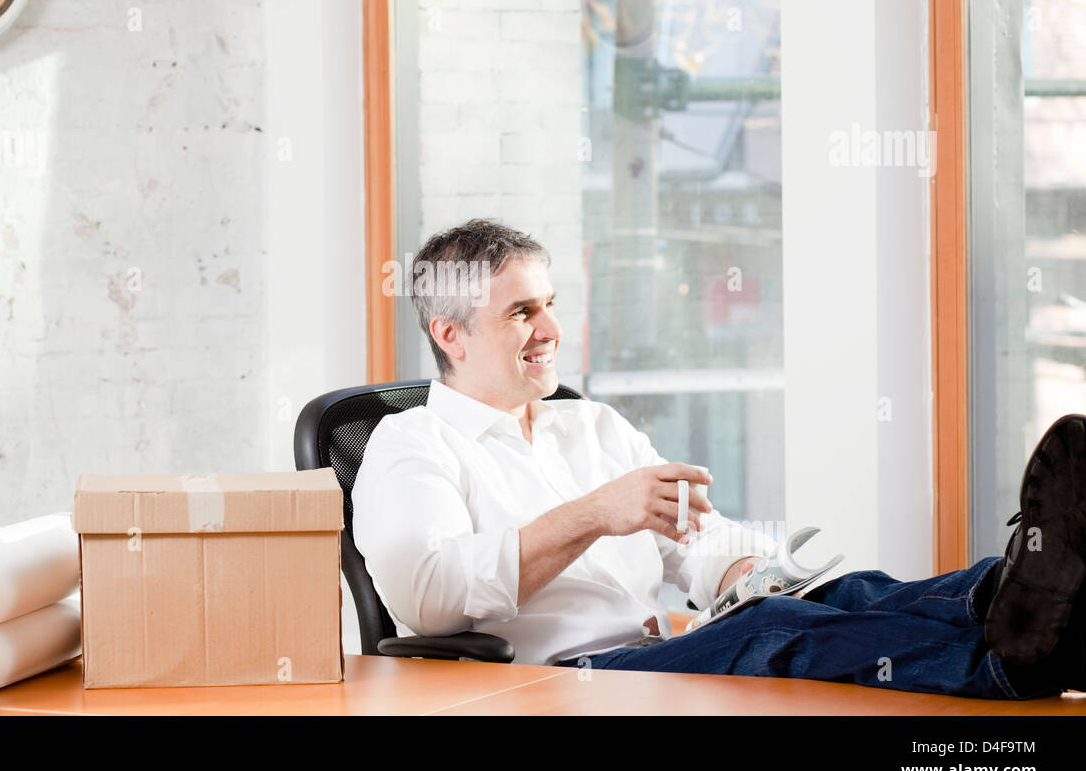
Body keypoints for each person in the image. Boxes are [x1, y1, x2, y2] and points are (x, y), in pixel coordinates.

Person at [352, 218, 1086, 699]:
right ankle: (1007, 663)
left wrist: (738, 568)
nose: (551, 327)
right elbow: (428, 598)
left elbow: (695, 532)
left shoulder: (592, 428)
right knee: (764, 635)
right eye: (521, 312)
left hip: (643, 665)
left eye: (547, 303)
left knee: (835, 597)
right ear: (451, 334)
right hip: (552, 685)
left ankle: (1019, 592)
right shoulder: (409, 445)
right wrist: (593, 515)